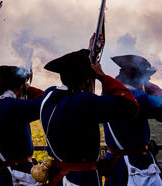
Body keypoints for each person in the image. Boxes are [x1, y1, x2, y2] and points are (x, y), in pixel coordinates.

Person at [40, 49, 139, 186]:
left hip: (58, 176)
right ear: (87, 80)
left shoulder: (49, 94)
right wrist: (102, 76)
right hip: (81, 179)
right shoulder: (84, 101)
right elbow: (130, 107)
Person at [103, 55, 162, 185]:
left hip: (115, 162)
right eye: (146, 76)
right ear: (136, 77)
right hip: (136, 164)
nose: (148, 79)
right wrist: (156, 90)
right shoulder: (138, 97)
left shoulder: (107, 93)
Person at [0, 65, 44, 186]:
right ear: (19, 87)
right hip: (16, 176)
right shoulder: (14, 107)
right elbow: (47, 101)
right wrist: (29, 89)